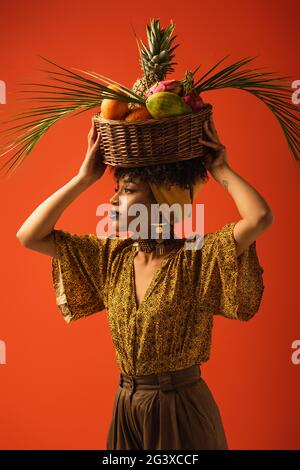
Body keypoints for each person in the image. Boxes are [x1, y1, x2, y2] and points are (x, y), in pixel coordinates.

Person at [16, 115, 274, 450]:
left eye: (126, 190)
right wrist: (83, 178)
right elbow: (29, 236)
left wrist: (221, 169)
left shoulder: (195, 257)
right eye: (116, 189)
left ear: (162, 200)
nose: (111, 201)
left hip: (180, 406)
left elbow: (259, 217)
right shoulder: (112, 258)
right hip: (125, 405)